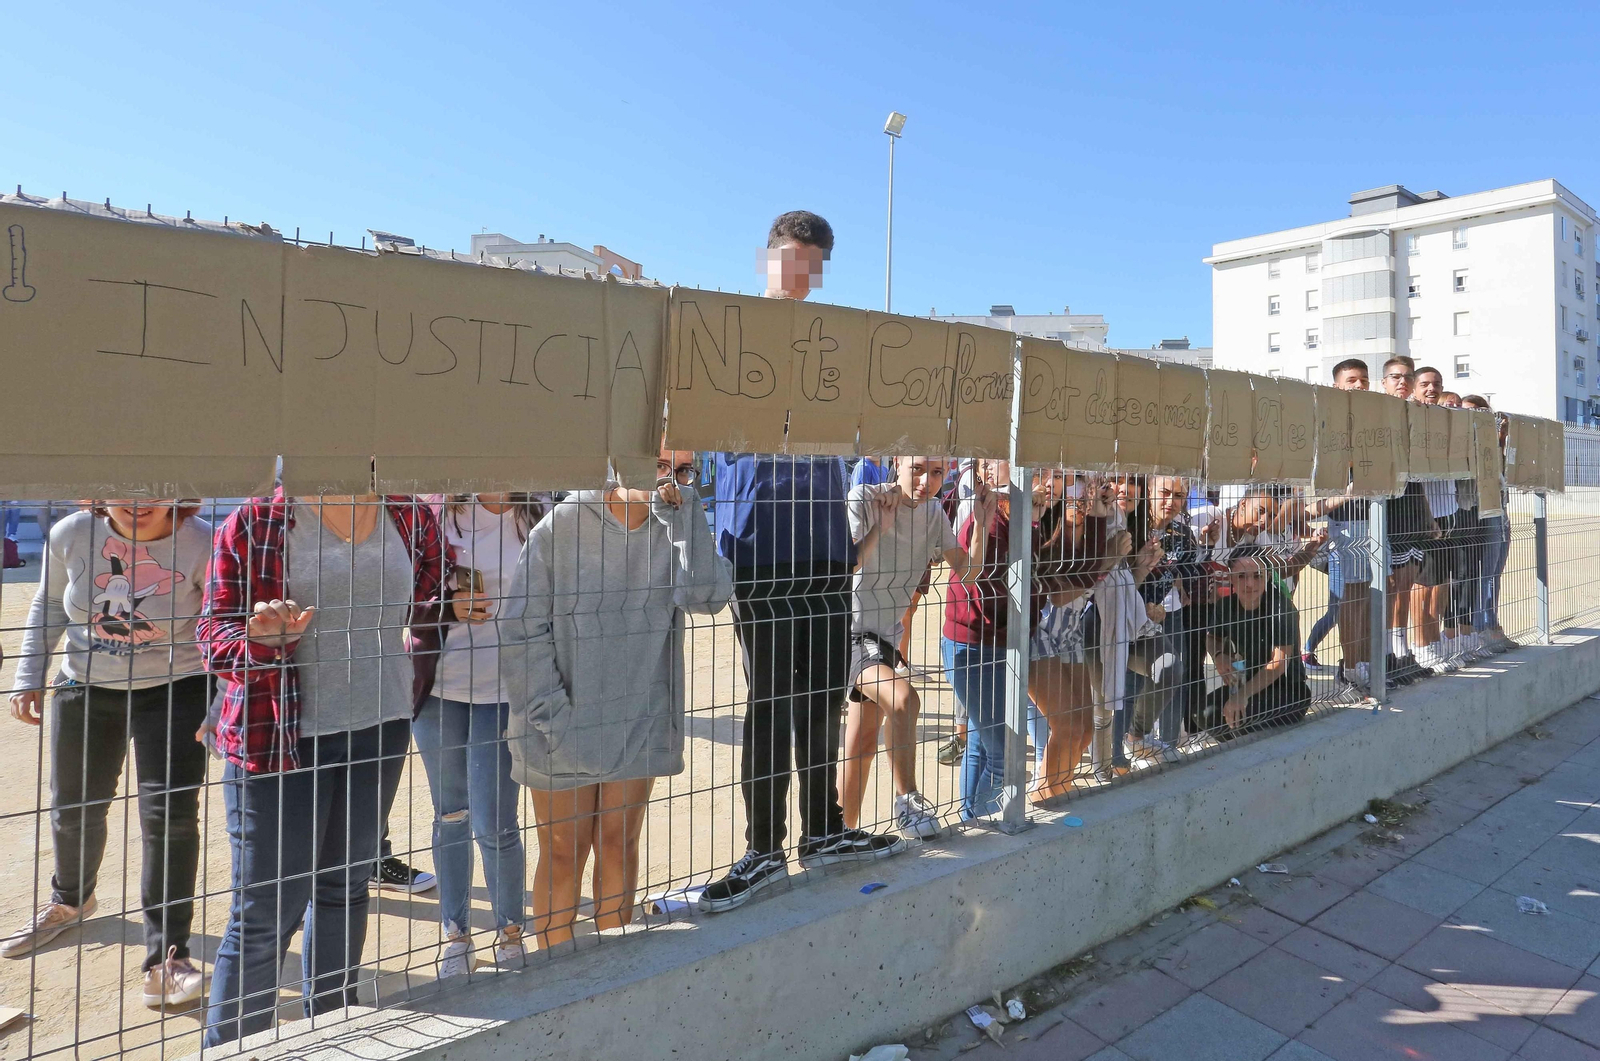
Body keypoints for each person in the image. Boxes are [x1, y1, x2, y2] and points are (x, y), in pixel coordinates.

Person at [699, 211, 906, 915]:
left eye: (812, 262)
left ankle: (822, 832)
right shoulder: (732, 339)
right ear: (766, 258)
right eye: (791, 257)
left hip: (823, 550)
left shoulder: (831, 352)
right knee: (770, 704)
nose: (801, 272)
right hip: (759, 552)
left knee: (822, 698)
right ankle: (764, 847)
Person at [198, 492, 448, 1045]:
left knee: (345, 888)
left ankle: (331, 1036)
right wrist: (259, 642)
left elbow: (432, 600)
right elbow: (212, 632)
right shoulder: (258, 519)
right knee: (265, 913)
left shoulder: (408, 514)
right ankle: (235, 1050)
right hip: (280, 737)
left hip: (380, 725)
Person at [500, 449, 732, 946]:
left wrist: (687, 513)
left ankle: (611, 982)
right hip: (557, 725)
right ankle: (554, 990)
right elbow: (520, 632)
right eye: (659, 463)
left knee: (618, 845)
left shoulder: (675, 523)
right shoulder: (559, 528)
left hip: (638, 721)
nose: (669, 478)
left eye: (683, 469)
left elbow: (709, 597)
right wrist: (555, 721)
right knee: (564, 852)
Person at [4, 500, 211, 1009]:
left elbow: (220, 623)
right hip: (86, 688)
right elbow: (49, 603)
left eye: (153, 490)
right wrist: (29, 676)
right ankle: (70, 899)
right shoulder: (73, 533)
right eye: (121, 487)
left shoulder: (204, 541)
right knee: (73, 809)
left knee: (170, 820)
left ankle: (169, 958)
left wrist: (223, 700)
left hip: (176, 690)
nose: (137, 503)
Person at [414, 494, 548, 976]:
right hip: (440, 690)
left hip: (506, 691)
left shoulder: (541, 512)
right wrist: (446, 606)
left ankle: (510, 931)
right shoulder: (434, 513)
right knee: (450, 813)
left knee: (495, 819)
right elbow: (399, 597)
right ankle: (455, 934)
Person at [944, 461, 1113, 815]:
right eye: (1037, 472)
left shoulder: (1030, 524)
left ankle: (975, 820)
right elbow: (1000, 593)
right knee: (1004, 752)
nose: (1052, 482)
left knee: (987, 742)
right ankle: (990, 822)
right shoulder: (993, 521)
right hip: (981, 643)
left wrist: (1096, 521)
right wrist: (1044, 589)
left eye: (1056, 474)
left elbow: (1066, 578)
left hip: (1010, 640)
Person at [840, 455, 978, 839]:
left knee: (863, 742)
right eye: (917, 468)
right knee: (905, 700)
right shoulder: (865, 497)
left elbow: (967, 571)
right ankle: (909, 802)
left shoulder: (935, 511)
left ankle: (837, 834)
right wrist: (881, 526)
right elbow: (845, 566)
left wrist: (979, 520)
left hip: (885, 637)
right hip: (848, 632)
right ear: (897, 462)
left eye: (936, 473)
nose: (926, 481)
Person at [1028, 474, 1115, 799]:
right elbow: (1061, 594)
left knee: (1084, 729)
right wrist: (1108, 559)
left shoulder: (1088, 531)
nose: (1081, 504)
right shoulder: (1045, 540)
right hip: (1039, 635)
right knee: (1066, 727)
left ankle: (1058, 789)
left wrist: (1097, 515)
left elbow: (1089, 568)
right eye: (1075, 498)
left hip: (1069, 633)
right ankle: (1044, 794)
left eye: (1085, 499)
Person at [1303, 358, 1376, 694]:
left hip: (1374, 523)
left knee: (1364, 601)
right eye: (1351, 380)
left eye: (1363, 380)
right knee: (1347, 603)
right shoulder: (1327, 433)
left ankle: (1361, 665)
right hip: (1344, 529)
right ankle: (1348, 670)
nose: (1359, 386)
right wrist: (1345, 497)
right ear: (1337, 386)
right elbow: (1310, 503)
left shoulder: (1373, 428)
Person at [1126, 476, 1203, 762]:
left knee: (1172, 674)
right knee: (1130, 686)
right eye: (1165, 493)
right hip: (1124, 616)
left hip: (1164, 613)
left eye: (1179, 496)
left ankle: (1165, 743)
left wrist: (1179, 582)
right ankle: (1124, 751)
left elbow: (1190, 565)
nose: (1171, 502)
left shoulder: (1181, 533)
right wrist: (1142, 604)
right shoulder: (1132, 526)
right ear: (1148, 491)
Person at [1205, 547, 1312, 734]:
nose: (1249, 584)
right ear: (1230, 578)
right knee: (1205, 714)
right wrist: (1219, 655)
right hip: (1246, 684)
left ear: (1268, 577)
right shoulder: (1225, 605)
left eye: (1257, 576)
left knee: (1240, 718)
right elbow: (1213, 637)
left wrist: (1242, 696)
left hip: (1288, 691)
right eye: (1241, 576)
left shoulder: (1281, 607)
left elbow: (1278, 663)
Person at [1380, 355, 1435, 684]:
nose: (1402, 382)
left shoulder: (1418, 417)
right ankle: (1388, 653)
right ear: (1384, 382)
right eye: (1395, 377)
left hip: (1415, 507)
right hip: (1391, 508)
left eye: (1407, 377)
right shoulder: (1378, 415)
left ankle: (1403, 653)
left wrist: (1428, 515)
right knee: (1392, 589)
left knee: (1407, 586)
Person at [1410, 367, 1463, 675]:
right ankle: (1420, 644)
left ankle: (1435, 643)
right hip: (1424, 514)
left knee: (1440, 584)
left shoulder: (1447, 423)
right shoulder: (1416, 420)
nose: (1431, 389)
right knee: (1422, 585)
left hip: (1449, 511)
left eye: (1437, 384)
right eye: (1425, 384)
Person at [1461, 395, 1517, 653]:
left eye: (1482, 412)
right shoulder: (1462, 443)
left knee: (1494, 573)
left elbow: (1502, 473)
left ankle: (1490, 625)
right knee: (1480, 576)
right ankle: (1481, 628)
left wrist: (1502, 440)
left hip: (1499, 511)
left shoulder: (1492, 445)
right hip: (1477, 513)